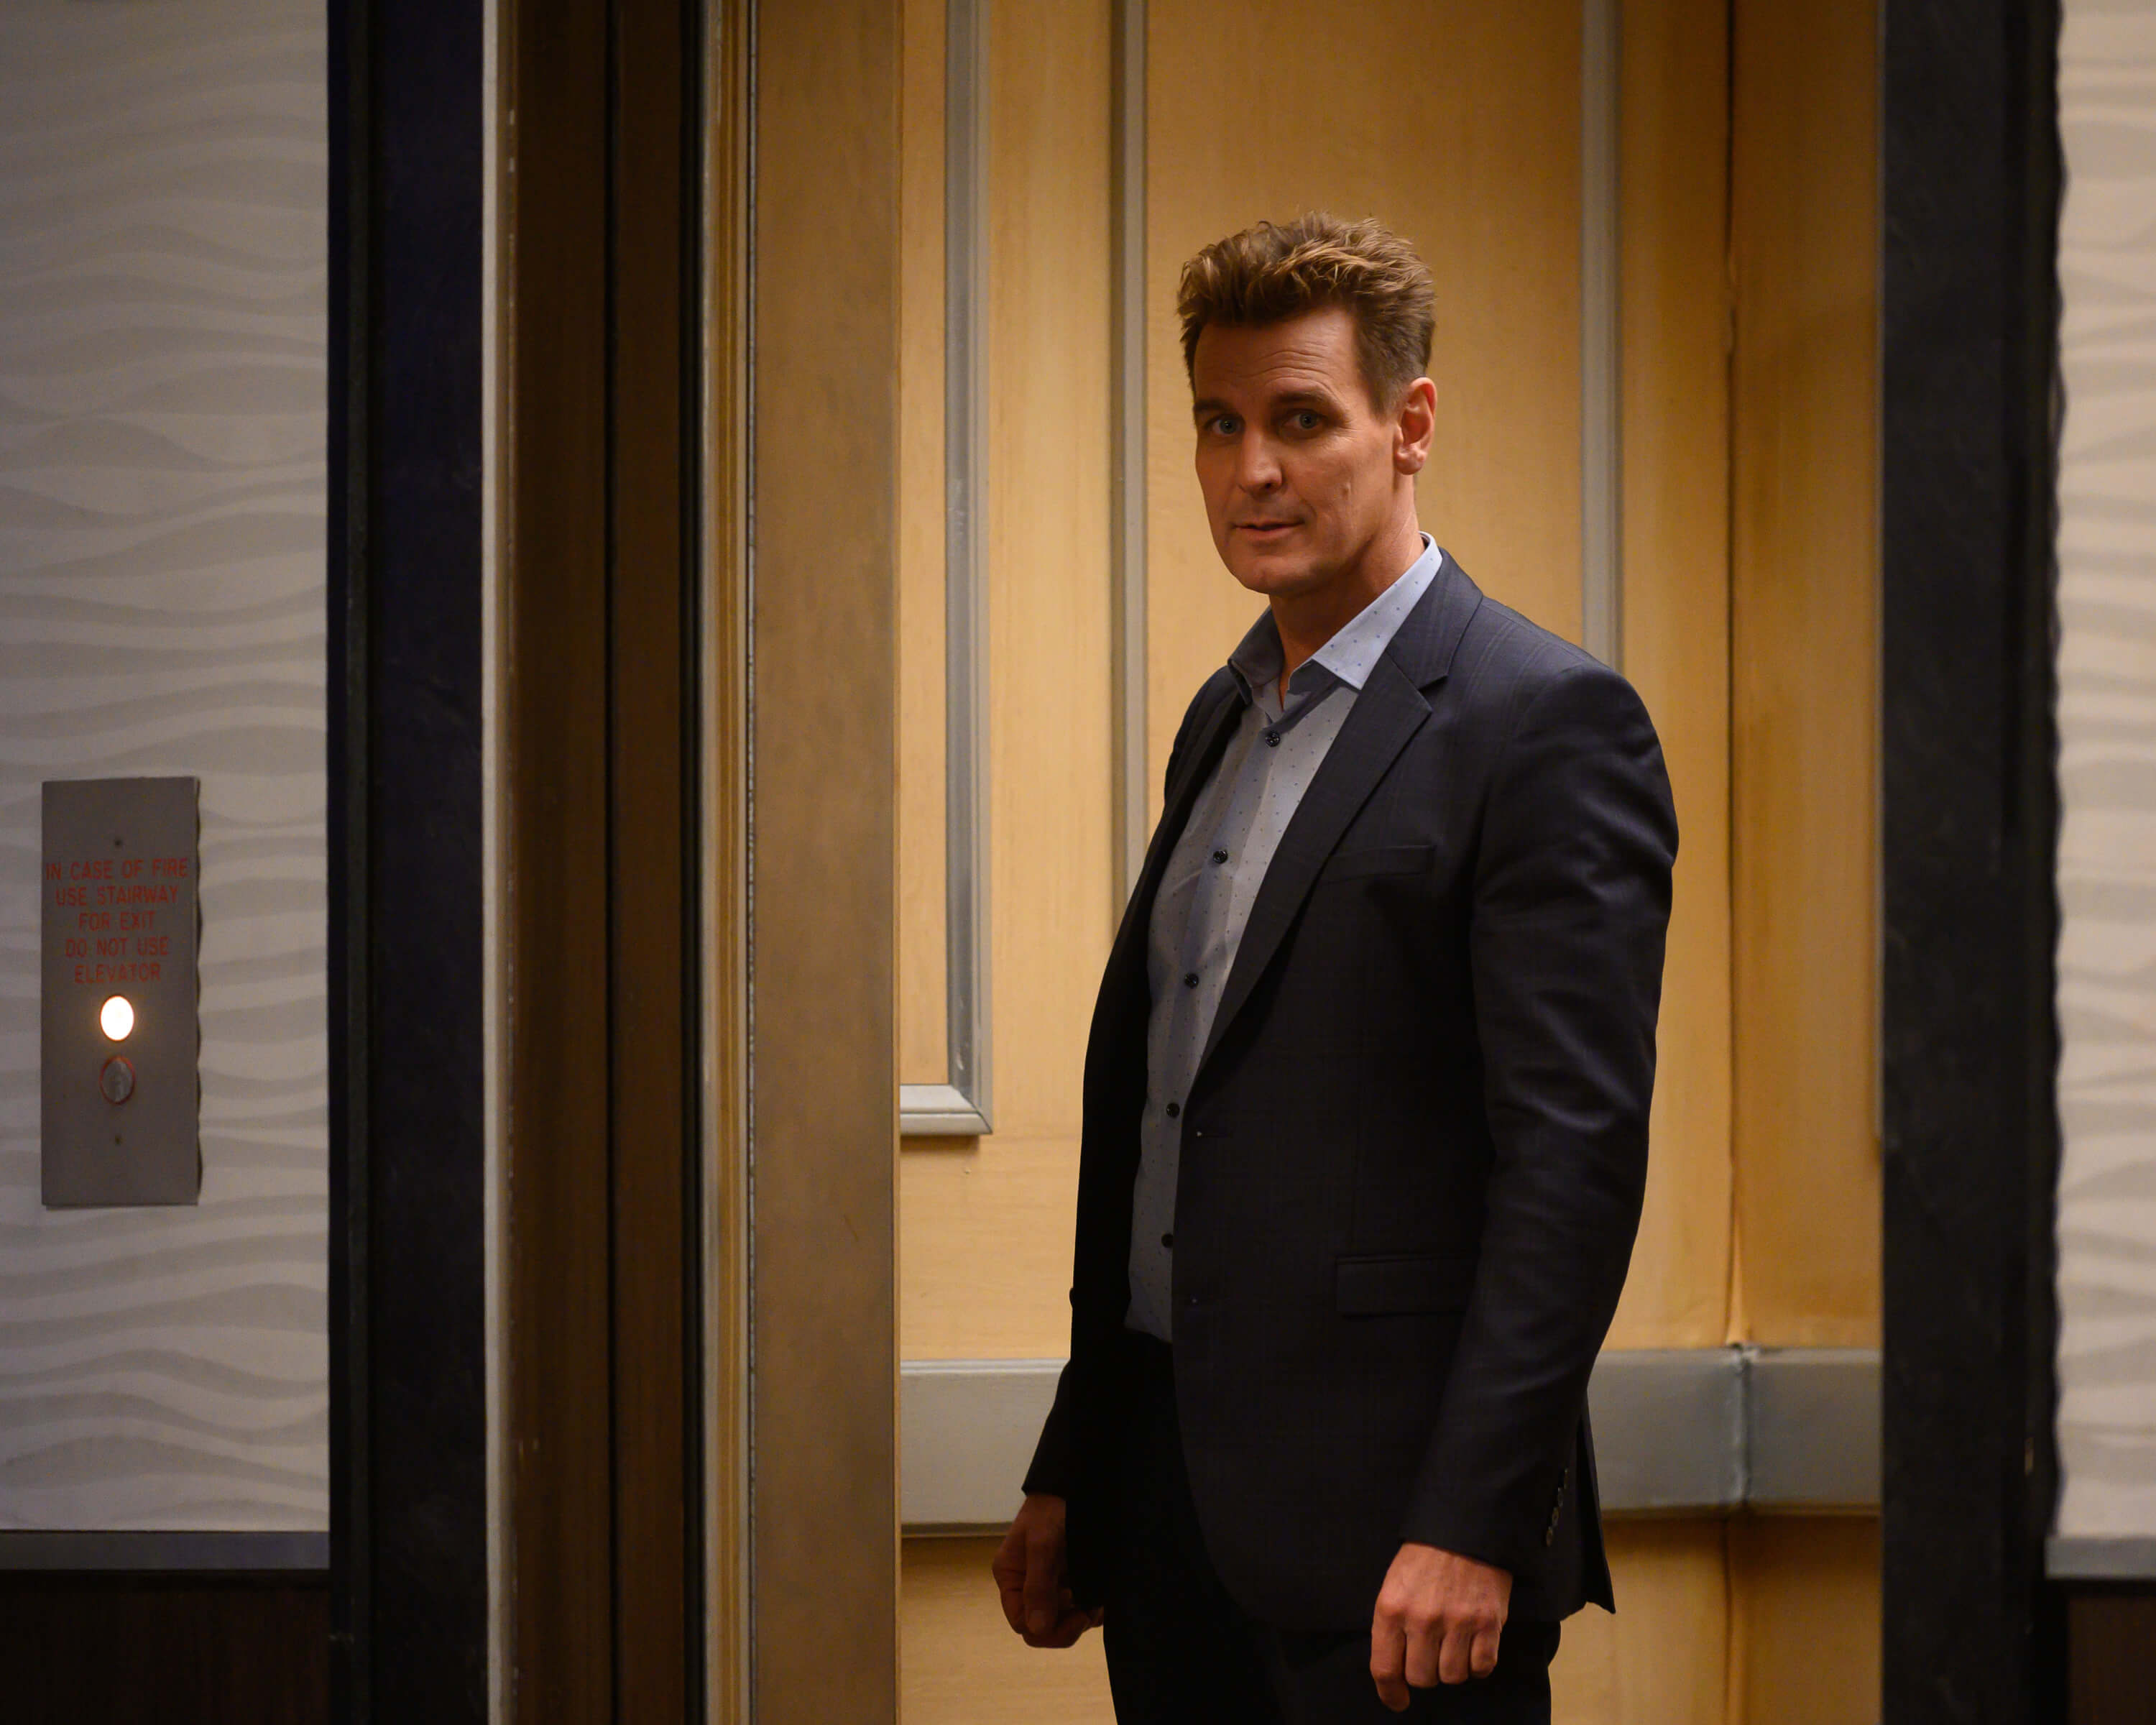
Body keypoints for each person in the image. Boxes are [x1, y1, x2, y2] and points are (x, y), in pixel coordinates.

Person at [990, 213, 1678, 1723]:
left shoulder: (1544, 722)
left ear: (1409, 424)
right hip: (1166, 1514)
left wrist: (1475, 1520)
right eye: (1218, 424)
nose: (1253, 470)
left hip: (1403, 1549)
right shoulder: (1221, 720)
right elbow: (1170, 1127)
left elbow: (1571, 1166)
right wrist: (1077, 1458)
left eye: (1302, 421)